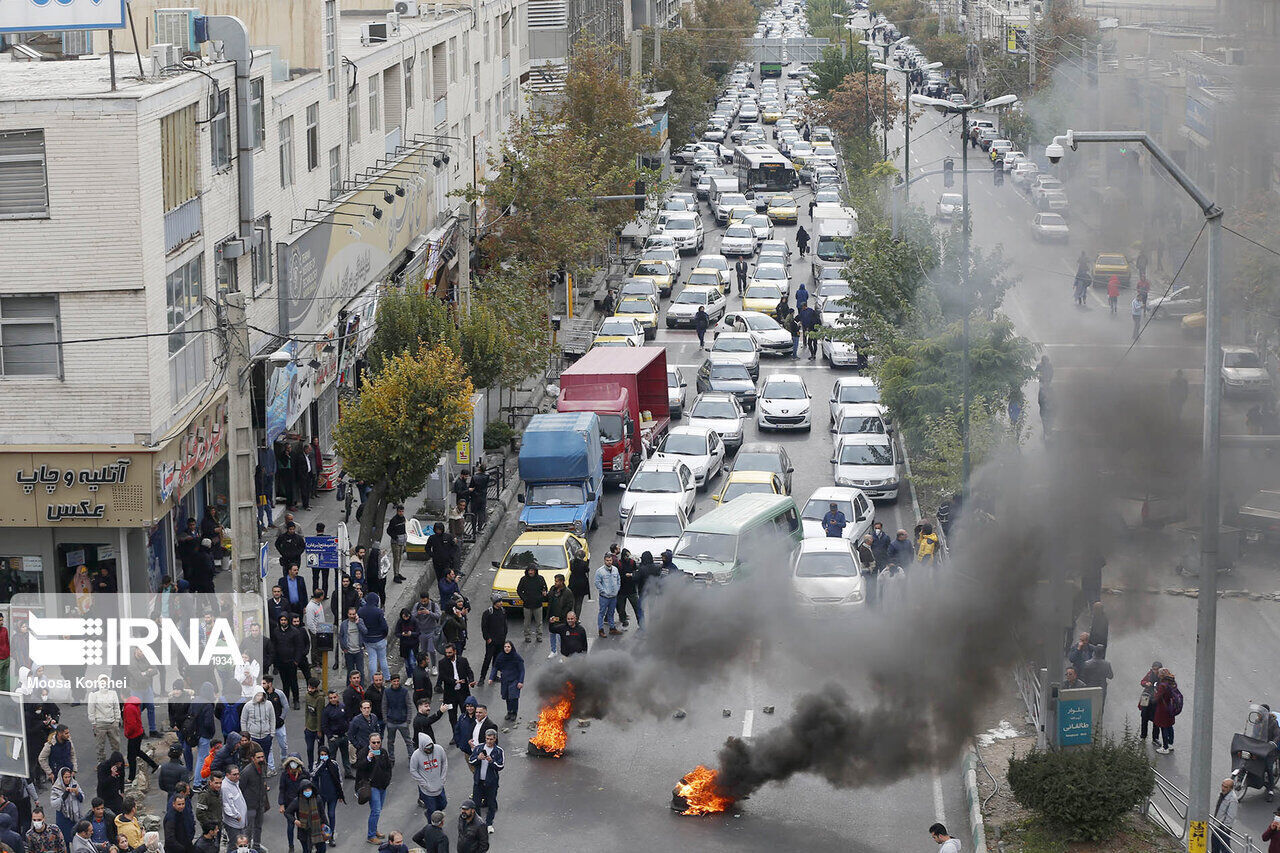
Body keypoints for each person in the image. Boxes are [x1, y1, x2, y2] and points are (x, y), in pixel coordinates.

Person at [355, 732, 392, 845]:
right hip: (372, 786)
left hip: (382, 785)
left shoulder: (383, 752)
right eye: (373, 742)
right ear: (369, 742)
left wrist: (388, 780)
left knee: (378, 809)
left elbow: (388, 767)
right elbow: (359, 767)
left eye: (378, 742)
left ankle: (374, 829)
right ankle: (371, 835)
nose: (376, 745)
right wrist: (368, 758)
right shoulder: (363, 752)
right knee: (375, 810)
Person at [468, 730, 503, 833]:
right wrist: (478, 758)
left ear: (495, 739)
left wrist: (491, 761)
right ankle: (479, 823)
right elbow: (471, 761)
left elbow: (501, 766)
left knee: (491, 804)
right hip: (478, 782)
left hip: (491, 783)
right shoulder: (479, 748)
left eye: (491, 739)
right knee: (476, 803)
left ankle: (489, 823)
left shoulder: (498, 751)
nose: (489, 741)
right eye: (487, 739)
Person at [409, 733, 448, 818]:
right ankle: (432, 824)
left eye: (431, 747)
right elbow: (413, 770)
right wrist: (424, 783)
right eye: (427, 748)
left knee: (443, 804)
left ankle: (434, 816)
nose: (430, 750)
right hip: (427, 790)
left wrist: (442, 778)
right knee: (432, 809)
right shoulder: (416, 755)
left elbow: (444, 762)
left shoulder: (439, 749)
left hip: (439, 786)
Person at [436, 644, 475, 728]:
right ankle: (455, 735)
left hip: (463, 693)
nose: (448, 655)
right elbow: (443, 676)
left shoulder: (463, 660)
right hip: (450, 695)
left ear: (455, 651)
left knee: (466, 714)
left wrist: (471, 681)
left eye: (450, 653)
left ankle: (467, 732)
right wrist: (455, 681)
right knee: (452, 717)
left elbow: (469, 672)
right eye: (446, 653)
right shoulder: (442, 663)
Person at [283, 779, 327, 853]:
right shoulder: (297, 801)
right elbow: (287, 812)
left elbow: (322, 814)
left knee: (322, 849)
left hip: (317, 830)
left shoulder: (317, 799)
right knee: (306, 850)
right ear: (301, 790)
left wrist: (326, 826)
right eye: (305, 789)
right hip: (304, 831)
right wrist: (295, 821)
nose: (307, 791)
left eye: (309, 789)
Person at [312, 744, 344, 842]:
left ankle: (331, 835)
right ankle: (323, 834)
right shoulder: (316, 764)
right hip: (321, 795)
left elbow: (339, 779)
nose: (323, 756)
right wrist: (322, 764)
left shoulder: (334, 764)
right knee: (321, 816)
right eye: (321, 754)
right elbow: (313, 775)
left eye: (325, 754)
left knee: (331, 814)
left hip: (333, 795)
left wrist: (340, 794)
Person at [276, 755, 309, 851]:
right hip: (289, 802)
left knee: (303, 825)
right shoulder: (285, 774)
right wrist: (281, 804)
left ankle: (306, 845)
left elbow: (309, 787)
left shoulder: (304, 773)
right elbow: (282, 789)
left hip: (302, 802)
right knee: (290, 825)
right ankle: (291, 845)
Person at [240, 748, 269, 849]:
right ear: (253, 759)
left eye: (262, 757)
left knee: (258, 827)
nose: (261, 759)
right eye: (258, 757)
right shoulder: (247, 772)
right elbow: (241, 788)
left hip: (260, 804)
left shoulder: (263, 766)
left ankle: (256, 847)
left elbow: (263, 782)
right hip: (250, 806)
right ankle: (246, 848)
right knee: (248, 829)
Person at [489, 641, 524, 722]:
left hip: (514, 680)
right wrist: (491, 678)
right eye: (505, 647)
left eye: (508, 647)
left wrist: (520, 681)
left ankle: (514, 712)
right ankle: (509, 711)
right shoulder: (501, 656)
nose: (506, 648)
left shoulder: (516, 657)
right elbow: (495, 667)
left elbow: (522, 670)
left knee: (514, 697)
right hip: (505, 680)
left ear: (511, 648)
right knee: (507, 697)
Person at [87, 686, 122, 766]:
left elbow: (116, 707)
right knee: (100, 746)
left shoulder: (113, 693)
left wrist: (116, 721)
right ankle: (101, 763)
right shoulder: (93, 694)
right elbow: (91, 709)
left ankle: (117, 761)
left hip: (112, 723)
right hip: (100, 724)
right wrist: (94, 723)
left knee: (116, 744)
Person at [545, 574, 574, 660]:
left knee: (561, 637)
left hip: (561, 619)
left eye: (557, 581)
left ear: (562, 582)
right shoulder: (553, 589)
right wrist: (545, 595)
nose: (555, 583)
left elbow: (569, 606)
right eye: (555, 581)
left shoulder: (568, 592)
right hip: (552, 617)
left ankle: (563, 654)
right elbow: (549, 599)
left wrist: (560, 617)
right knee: (552, 634)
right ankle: (553, 651)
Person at [1153, 668, 1182, 754]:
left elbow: (1157, 697)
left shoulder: (1163, 685)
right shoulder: (1172, 682)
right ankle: (1170, 744)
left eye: (1159, 673)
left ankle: (1165, 748)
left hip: (1163, 709)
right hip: (1171, 707)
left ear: (1161, 675)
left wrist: (1155, 692)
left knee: (1163, 727)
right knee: (1170, 726)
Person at [594, 553, 622, 638]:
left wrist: (617, 588)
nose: (609, 562)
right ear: (604, 560)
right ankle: (601, 630)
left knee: (611, 612)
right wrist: (603, 591)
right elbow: (597, 582)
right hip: (604, 597)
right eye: (607, 560)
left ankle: (612, 628)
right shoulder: (600, 571)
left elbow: (618, 579)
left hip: (613, 596)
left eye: (610, 560)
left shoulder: (615, 569)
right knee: (602, 613)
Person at [1138, 660, 1164, 745]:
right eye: (1154, 669)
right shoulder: (1149, 674)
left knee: (1156, 720)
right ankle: (1143, 736)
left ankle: (1155, 738)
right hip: (1147, 699)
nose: (1155, 671)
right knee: (1144, 718)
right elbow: (1142, 682)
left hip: (1156, 701)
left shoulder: (1162, 677)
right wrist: (1146, 683)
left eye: (1157, 669)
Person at [1212, 776, 1238, 853]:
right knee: (1215, 846)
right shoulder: (1223, 794)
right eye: (1222, 785)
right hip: (1216, 825)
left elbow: (1231, 816)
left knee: (1225, 849)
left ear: (1230, 788)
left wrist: (1224, 827)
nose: (1223, 788)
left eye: (1225, 787)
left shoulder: (1232, 799)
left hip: (1223, 828)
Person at [386, 506, 408, 584]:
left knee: (400, 558)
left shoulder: (403, 518)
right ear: (397, 511)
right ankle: (395, 575)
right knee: (396, 558)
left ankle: (398, 573)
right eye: (400, 511)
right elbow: (388, 530)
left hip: (402, 541)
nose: (401, 513)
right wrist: (395, 537)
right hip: (396, 543)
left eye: (402, 511)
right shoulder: (394, 520)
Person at [470, 467, 491, 533]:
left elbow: (471, 486)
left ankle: (473, 529)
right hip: (482, 497)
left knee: (474, 514)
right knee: (481, 513)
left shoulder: (474, 477)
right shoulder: (487, 476)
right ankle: (479, 528)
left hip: (475, 497)